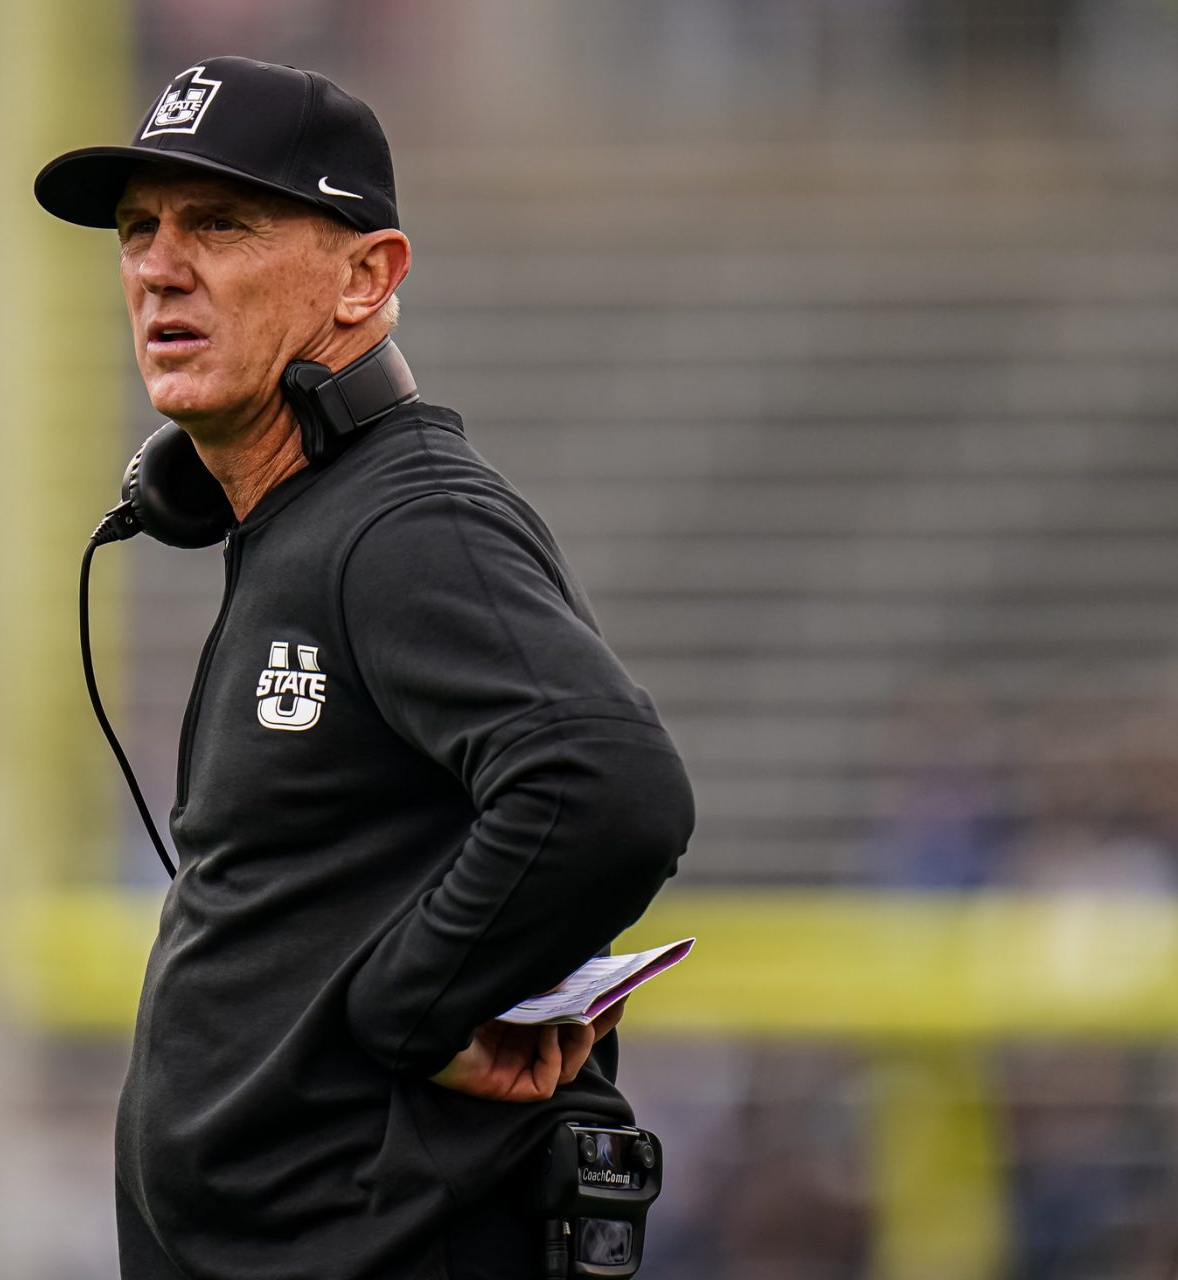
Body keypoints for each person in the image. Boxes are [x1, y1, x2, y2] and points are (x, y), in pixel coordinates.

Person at [34, 57, 695, 1280]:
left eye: (219, 223)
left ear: (367, 275)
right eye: (138, 229)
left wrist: (416, 1002)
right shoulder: (300, 525)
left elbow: (609, 784)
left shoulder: (404, 524)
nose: (158, 265)